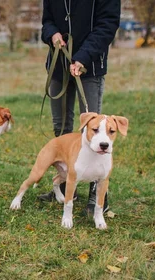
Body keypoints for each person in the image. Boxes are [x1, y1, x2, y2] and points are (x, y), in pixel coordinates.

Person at [39, 0, 121, 215]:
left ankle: (98, 195)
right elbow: (47, 20)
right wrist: (52, 34)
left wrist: (83, 57)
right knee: (61, 127)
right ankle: (68, 185)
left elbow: (108, 25)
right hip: (58, 65)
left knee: (96, 130)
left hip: (90, 66)